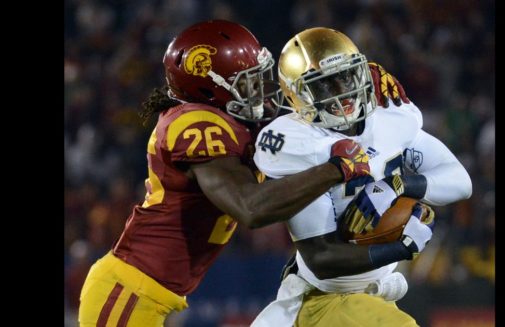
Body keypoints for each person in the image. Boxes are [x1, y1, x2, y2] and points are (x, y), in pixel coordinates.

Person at [77, 20, 372, 327]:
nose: (260, 90)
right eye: (248, 82)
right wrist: (336, 169)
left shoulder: (227, 122)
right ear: (210, 85)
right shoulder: (198, 125)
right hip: (130, 294)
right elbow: (250, 207)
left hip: (143, 294)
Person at [251, 27, 472, 326]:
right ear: (298, 94)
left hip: (370, 297)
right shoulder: (299, 143)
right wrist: (402, 248)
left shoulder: (389, 120)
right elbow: (322, 258)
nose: (342, 92)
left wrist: (398, 185)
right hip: (328, 299)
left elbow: (460, 182)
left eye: (345, 76)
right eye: (325, 86)